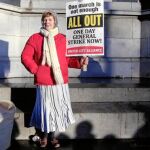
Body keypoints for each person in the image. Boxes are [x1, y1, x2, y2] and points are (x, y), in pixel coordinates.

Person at [21, 10, 88, 148]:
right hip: (44, 81)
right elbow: (25, 56)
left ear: (55, 21)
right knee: (46, 110)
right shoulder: (35, 38)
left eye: (50, 19)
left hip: (59, 82)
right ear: (42, 22)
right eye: (45, 20)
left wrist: (80, 63)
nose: (47, 22)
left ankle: (53, 137)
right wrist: (36, 69)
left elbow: (68, 60)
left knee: (57, 110)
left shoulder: (63, 38)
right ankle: (44, 136)